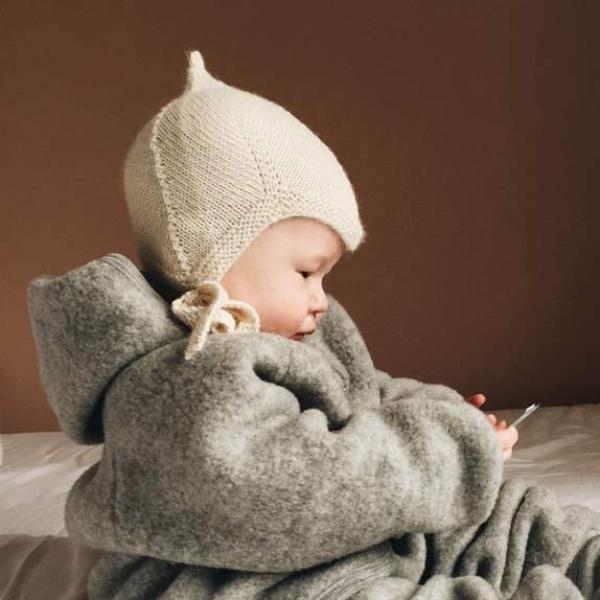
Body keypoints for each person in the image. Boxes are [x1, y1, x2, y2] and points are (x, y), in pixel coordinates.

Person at [27, 49, 599, 599]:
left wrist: (446, 416)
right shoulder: (176, 383)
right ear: (209, 259)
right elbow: (287, 491)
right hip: (237, 576)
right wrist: (445, 452)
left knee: (499, 517)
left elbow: (365, 395)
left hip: (341, 533)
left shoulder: (292, 331)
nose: (320, 299)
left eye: (326, 276)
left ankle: (587, 560)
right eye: (305, 272)